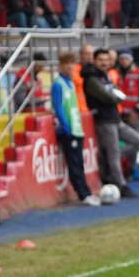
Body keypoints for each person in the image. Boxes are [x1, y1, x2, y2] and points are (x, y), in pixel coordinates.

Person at [83, 48, 139, 198]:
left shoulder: (105, 75)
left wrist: (116, 96)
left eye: (106, 60)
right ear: (94, 61)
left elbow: (118, 93)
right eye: (100, 60)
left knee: (138, 141)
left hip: (115, 118)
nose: (104, 63)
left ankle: (109, 166)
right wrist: (116, 97)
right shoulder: (91, 79)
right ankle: (121, 185)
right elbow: (109, 97)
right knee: (113, 154)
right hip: (104, 120)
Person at [52, 52, 100, 206]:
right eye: (66, 63)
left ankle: (86, 192)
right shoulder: (58, 84)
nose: (69, 66)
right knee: (74, 164)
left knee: (79, 163)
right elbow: (58, 108)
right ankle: (82, 194)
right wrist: (65, 126)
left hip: (77, 129)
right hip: (70, 130)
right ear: (61, 65)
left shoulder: (71, 83)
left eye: (72, 63)